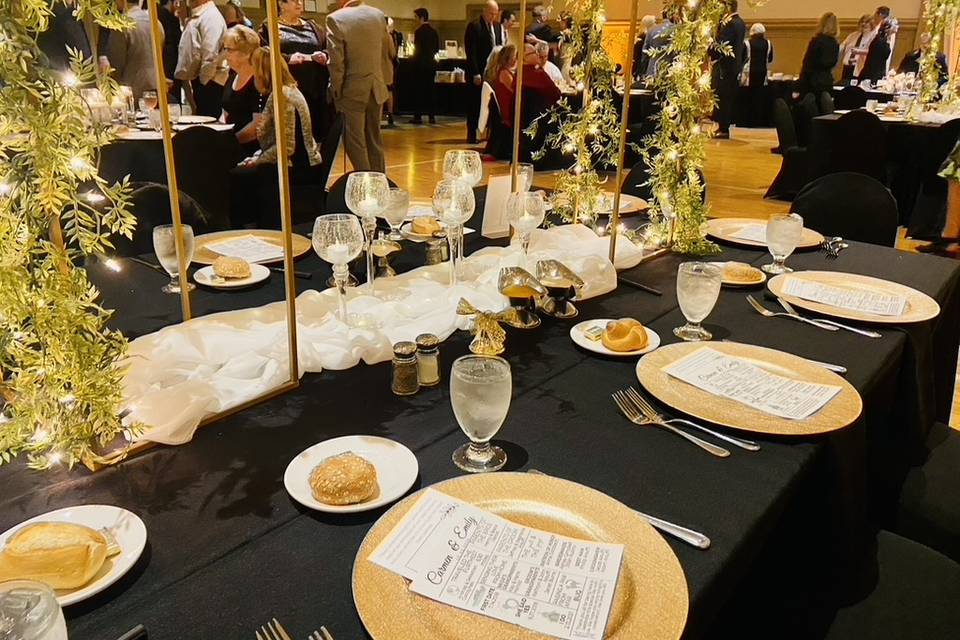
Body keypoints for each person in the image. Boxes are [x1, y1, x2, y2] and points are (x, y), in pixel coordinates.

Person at [232, 46, 321, 228]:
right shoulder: (284, 91)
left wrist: (258, 160)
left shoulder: (283, 96)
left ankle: (254, 230)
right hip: (294, 161)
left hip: (297, 166)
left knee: (236, 178)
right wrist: (258, 156)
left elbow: (286, 147)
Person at [326, 0, 393, 173]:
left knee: (354, 142)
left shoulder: (335, 19)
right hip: (376, 87)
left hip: (351, 88)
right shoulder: (378, 15)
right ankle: (380, 181)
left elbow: (336, 61)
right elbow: (387, 51)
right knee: (374, 139)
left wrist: (335, 89)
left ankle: (365, 184)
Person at [259, 0, 331, 144]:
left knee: (314, 136)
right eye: (294, 0)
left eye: (301, 1)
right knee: (292, 137)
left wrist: (324, 55)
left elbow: (327, 47)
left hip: (314, 89)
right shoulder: (269, 26)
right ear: (281, 4)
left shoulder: (313, 25)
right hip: (288, 89)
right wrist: (287, 58)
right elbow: (263, 54)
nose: (299, 3)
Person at [175, 0, 228, 118]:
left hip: (210, 83)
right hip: (201, 82)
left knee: (207, 125)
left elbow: (210, 55)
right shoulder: (200, 15)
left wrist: (203, 83)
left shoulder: (211, 17)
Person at [464, 1, 503, 144]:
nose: (493, 16)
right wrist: (475, 73)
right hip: (478, 71)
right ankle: (471, 133)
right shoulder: (474, 26)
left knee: (491, 104)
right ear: (484, 11)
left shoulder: (498, 27)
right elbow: (471, 52)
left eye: (495, 13)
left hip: (493, 72)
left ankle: (489, 134)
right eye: (491, 13)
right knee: (474, 103)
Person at [220, 25, 262, 156]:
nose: (225, 54)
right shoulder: (231, 78)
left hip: (252, 152)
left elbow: (257, 127)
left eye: (229, 50)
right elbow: (225, 113)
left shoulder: (259, 82)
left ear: (247, 53)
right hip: (231, 146)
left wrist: (230, 142)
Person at [107, 0, 161, 101]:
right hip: (157, 86)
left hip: (131, 90)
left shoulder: (122, 24)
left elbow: (116, 64)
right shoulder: (157, 23)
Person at [711, 1, 746, 139]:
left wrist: (710, 49)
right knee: (727, 97)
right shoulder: (740, 22)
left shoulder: (730, 23)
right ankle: (723, 127)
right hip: (734, 66)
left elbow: (722, 45)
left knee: (722, 97)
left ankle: (723, 128)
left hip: (725, 67)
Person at [410, 8, 440, 125]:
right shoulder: (434, 32)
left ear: (421, 18)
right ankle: (431, 116)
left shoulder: (418, 32)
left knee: (419, 91)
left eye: (415, 17)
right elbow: (436, 49)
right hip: (431, 65)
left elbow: (417, 51)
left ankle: (418, 116)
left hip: (420, 66)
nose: (415, 20)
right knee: (430, 90)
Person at [798, 12, 839, 97]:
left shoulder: (816, 41)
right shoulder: (835, 43)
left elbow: (807, 63)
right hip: (827, 81)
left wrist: (800, 84)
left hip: (812, 82)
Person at [157, 0, 182, 104]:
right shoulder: (172, 20)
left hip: (158, 69)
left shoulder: (154, 16)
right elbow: (175, 47)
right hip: (170, 71)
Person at [642, 10, 675, 80]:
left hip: (652, 69)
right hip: (671, 69)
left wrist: (643, 70)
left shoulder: (651, 30)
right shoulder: (676, 29)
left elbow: (644, 52)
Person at [839, 14, 873, 82]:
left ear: (871, 24)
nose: (863, 24)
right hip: (847, 66)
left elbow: (871, 52)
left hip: (859, 67)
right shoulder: (853, 35)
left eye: (866, 22)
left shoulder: (872, 37)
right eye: (862, 22)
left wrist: (859, 51)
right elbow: (842, 45)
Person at [859, 18, 892, 84]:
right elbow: (886, 54)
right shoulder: (881, 41)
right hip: (874, 73)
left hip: (871, 71)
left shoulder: (878, 39)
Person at [383, 17, 402, 127]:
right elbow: (392, 53)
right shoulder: (388, 37)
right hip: (387, 67)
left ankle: (379, 114)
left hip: (376, 68)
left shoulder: (375, 37)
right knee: (389, 91)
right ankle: (390, 113)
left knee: (378, 93)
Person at [632, 15, 657, 80]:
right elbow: (637, 59)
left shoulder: (644, 39)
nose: (656, 25)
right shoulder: (641, 41)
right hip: (643, 72)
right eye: (654, 23)